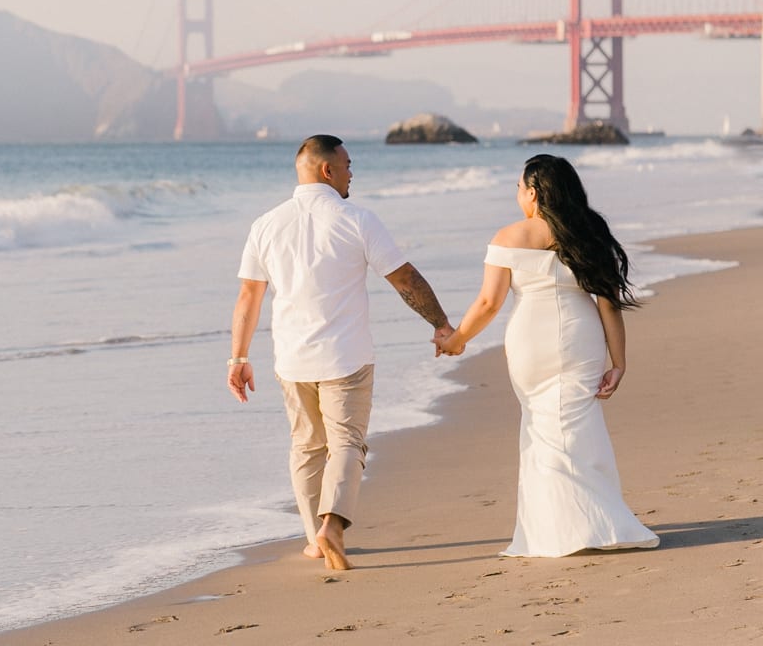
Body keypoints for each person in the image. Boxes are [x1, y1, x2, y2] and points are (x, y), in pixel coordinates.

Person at [228, 134, 456, 570]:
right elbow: (405, 278)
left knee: (307, 448)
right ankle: (333, 525)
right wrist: (441, 325)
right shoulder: (357, 220)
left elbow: (248, 298)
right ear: (326, 170)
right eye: (348, 164)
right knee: (347, 443)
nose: (353, 172)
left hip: (291, 360)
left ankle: (315, 539)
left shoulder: (266, 224)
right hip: (345, 357)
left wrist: (238, 359)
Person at [435, 153, 659, 557]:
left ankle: (553, 530)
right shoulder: (589, 232)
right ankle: (598, 521)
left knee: (539, 426)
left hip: (529, 343)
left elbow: (488, 302)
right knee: (578, 424)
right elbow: (607, 303)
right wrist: (619, 362)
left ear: (534, 193)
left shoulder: (508, 236)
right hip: (580, 338)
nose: (517, 195)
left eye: (520, 188)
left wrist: (457, 339)